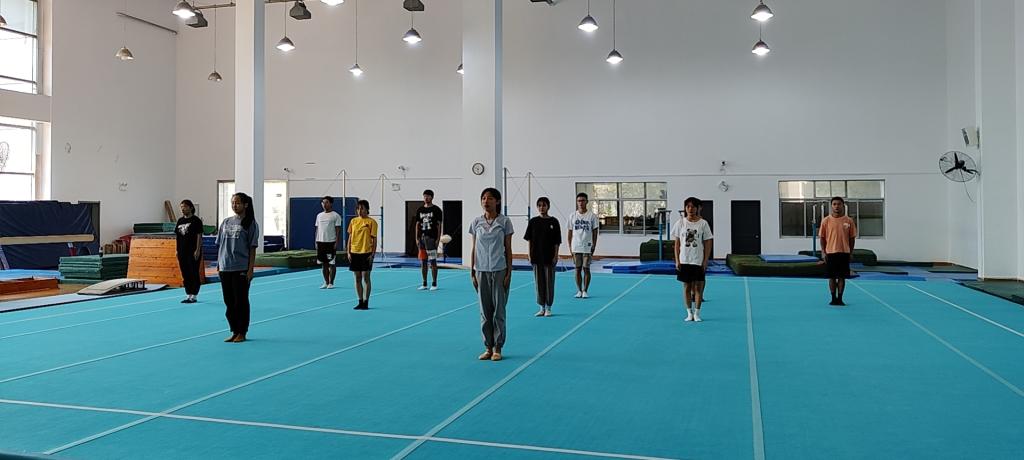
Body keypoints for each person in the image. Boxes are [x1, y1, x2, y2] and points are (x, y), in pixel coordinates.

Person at [469, 187, 514, 361]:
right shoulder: (476, 222)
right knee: (484, 311)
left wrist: (509, 272)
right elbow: (474, 247)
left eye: (489, 198)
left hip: (499, 269)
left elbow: (508, 248)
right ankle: (487, 347)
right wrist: (472, 271)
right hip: (481, 270)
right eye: (483, 198)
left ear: (497, 201)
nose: (486, 201)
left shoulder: (504, 222)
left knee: (498, 311)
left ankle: (498, 347)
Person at [216, 192, 260, 343]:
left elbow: (252, 248)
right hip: (225, 267)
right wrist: (219, 263)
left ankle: (242, 331)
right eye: (233, 203)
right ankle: (234, 330)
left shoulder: (250, 223)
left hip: (240, 267)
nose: (234, 205)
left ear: (245, 205)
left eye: (238, 203)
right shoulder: (226, 222)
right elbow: (220, 244)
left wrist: (250, 269)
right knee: (228, 301)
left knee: (240, 301)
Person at [673, 197, 713, 322]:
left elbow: (708, 242)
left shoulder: (703, 223)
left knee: (698, 288)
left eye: (693, 207)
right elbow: (677, 243)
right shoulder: (680, 223)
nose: (690, 209)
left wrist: (705, 260)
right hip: (684, 260)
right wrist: (677, 260)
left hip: (697, 260)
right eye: (688, 206)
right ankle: (689, 313)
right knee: (687, 287)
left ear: (698, 208)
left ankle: (697, 313)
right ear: (685, 208)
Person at [524, 196, 561, 317]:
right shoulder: (533, 222)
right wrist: (529, 254)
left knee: (549, 282)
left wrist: (556, 255)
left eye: (544, 205)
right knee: (538, 283)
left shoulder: (554, 221)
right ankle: (541, 307)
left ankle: (549, 307)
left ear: (548, 207)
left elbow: (557, 241)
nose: (541, 208)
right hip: (536, 256)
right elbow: (529, 239)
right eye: (539, 205)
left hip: (549, 257)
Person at [819, 196, 857, 306]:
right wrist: (823, 252)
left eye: (839, 204)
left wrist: (851, 252)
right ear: (831, 206)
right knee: (831, 277)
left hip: (844, 252)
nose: (836, 206)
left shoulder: (849, 221)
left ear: (843, 206)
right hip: (830, 252)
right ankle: (833, 298)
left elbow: (852, 238)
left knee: (841, 277)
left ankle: (840, 298)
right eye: (834, 204)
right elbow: (822, 238)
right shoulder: (826, 221)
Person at [567, 192, 599, 299]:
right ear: (577, 202)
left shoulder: (592, 216)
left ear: (587, 202)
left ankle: (585, 290)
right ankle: (579, 290)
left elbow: (595, 232)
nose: (580, 203)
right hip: (576, 246)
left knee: (586, 268)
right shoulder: (572, 216)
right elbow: (569, 233)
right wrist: (570, 247)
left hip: (587, 246)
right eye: (579, 201)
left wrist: (594, 245)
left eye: (583, 201)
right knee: (577, 269)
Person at [348, 200, 378, 310]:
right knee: (357, 278)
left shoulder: (372, 222)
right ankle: (360, 301)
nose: (360, 211)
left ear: (367, 209)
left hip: (366, 252)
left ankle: (366, 301)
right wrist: (348, 252)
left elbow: (374, 239)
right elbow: (350, 237)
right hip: (354, 252)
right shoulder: (353, 221)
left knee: (366, 277)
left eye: (362, 208)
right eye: (358, 209)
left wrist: (372, 254)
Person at [175, 199, 204, 304]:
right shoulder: (180, 221)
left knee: (193, 272)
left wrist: (197, 250)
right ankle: (188, 293)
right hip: (182, 251)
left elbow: (199, 236)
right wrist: (177, 250)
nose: (183, 209)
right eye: (181, 207)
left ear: (191, 208)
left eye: (185, 207)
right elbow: (178, 237)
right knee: (185, 273)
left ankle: (194, 294)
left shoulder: (196, 221)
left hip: (192, 251)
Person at [414, 189, 443, 291]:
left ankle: (434, 283)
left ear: (432, 197)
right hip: (422, 238)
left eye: (428, 196)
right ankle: (424, 283)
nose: (426, 198)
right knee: (423, 261)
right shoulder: (420, 210)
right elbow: (417, 224)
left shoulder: (436, 210)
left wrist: (438, 239)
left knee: (432, 261)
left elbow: (439, 225)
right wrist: (417, 238)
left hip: (431, 238)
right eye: (424, 196)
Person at [314, 196, 343, 289]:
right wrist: (316, 241)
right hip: (321, 242)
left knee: (331, 263)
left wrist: (336, 242)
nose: (324, 204)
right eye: (323, 202)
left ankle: (331, 282)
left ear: (331, 203)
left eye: (326, 202)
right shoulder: (319, 216)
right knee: (324, 264)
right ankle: (326, 282)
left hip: (330, 242)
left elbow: (338, 230)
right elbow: (317, 229)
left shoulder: (336, 216)